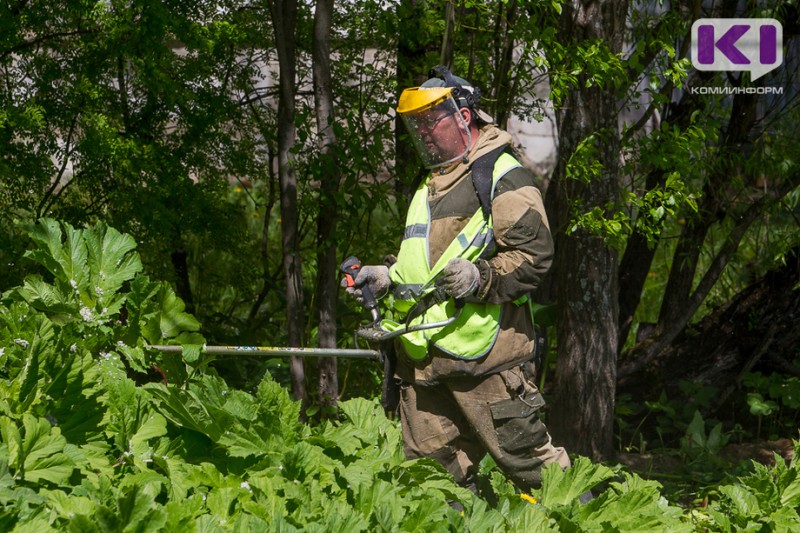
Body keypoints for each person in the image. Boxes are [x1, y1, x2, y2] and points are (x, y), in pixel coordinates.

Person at [345, 66, 570, 493]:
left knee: (537, 472)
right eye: (418, 126)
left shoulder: (501, 175)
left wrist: (479, 278)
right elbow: (423, 264)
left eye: (432, 122)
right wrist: (385, 278)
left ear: (464, 116)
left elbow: (535, 257)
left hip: (487, 363)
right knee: (433, 482)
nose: (424, 134)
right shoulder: (428, 185)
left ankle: (599, 521)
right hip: (424, 364)